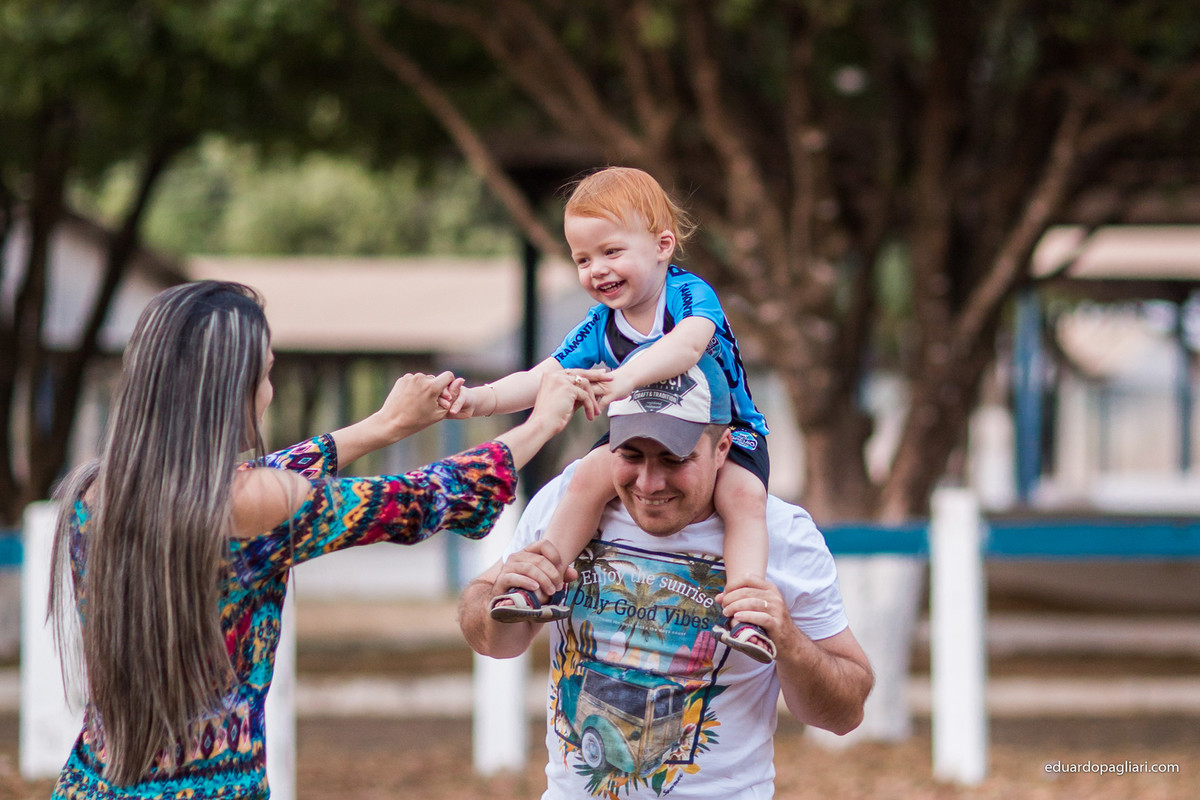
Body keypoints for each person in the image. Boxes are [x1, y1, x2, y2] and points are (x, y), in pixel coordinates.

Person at [46, 280, 590, 798]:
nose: (268, 393)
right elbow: (421, 497)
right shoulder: (250, 504)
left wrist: (385, 425)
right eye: (265, 374)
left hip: (89, 784)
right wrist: (540, 424)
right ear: (228, 390)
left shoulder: (96, 492)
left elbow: (248, 482)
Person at [459, 355, 874, 800]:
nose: (649, 483)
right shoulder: (568, 502)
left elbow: (844, 713)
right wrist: (496, 597)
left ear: (722, 448)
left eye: (674, 459)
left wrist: (788, 640)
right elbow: (494, 641)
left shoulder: (783, 534)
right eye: (631, 455)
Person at [442, 166, 776, 662]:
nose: (596, 269)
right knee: (585, 478)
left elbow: (686, 347)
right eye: (582, 259)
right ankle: (538, 581)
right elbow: (546, 375)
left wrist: (623, 379)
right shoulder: (600, 323)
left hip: (722, 427)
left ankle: (748, 611)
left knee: (744, 496)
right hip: (643, 425)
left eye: (611, 252)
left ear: (662, 246)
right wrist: (480, 399)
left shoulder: (687, 294)